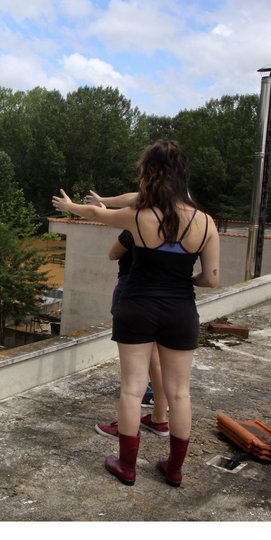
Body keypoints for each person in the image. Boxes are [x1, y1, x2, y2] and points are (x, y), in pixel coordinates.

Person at [52, 139, 220, 487]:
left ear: (151, 175)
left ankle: (127, 467)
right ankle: (173, 469)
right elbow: (212, 279)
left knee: (131, 389)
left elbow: (99, 215)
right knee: (180, 393)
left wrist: (70, 206)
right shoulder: (206, 224)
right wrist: (183, 279)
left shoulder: (140, 217)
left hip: (136, 306)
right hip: (180, 310)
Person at [94, 228, 169, 441]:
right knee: (156, 361)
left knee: (133, 377)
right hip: (163, 295)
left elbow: (113, 254)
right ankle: (159, 418)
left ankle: (127, 427)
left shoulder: (137, 225)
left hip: (133, 292)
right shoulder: (177, 225)